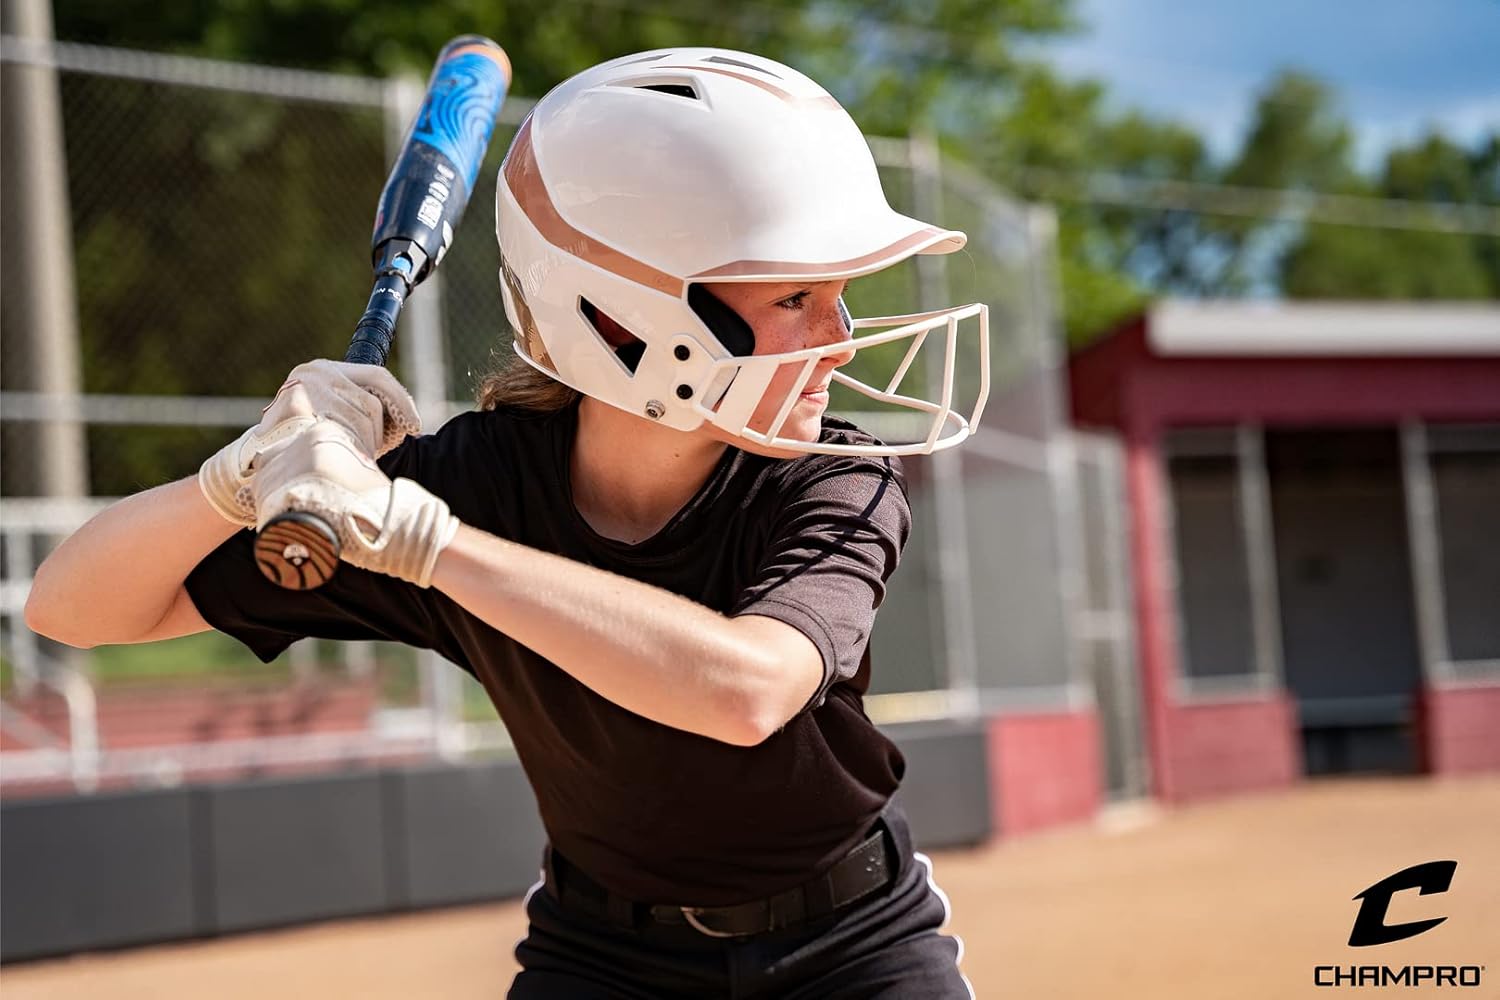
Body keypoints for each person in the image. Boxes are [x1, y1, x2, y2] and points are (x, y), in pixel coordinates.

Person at [26, 47, 987, 998]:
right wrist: (236, 478)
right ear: (623, 321)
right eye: (794, 296)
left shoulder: (836, 476)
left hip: (850, 946)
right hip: (606, 956)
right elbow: (72, 608)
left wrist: (427, 545)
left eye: (836, 295)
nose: (842, 337)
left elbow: (746, 692)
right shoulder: (472, 485)